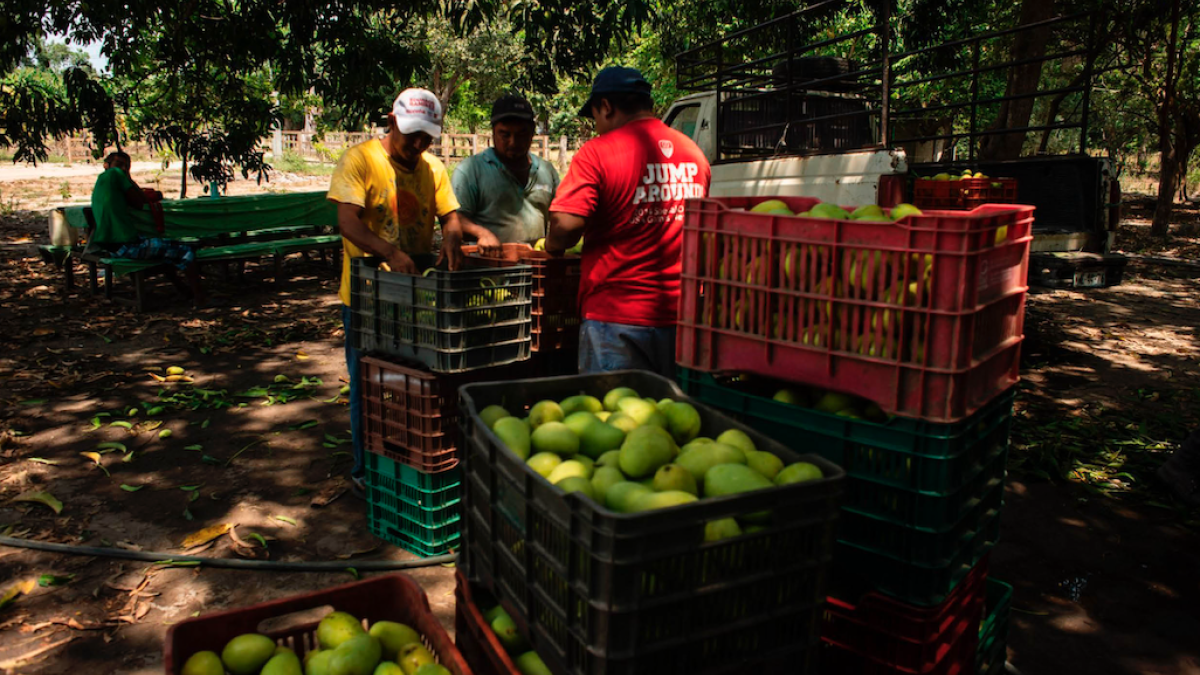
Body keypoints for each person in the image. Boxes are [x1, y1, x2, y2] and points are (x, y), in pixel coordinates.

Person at [327, 87, 500, 495]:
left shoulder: (432, 168)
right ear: (391, 122)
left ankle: (412, 459)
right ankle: (364, 470)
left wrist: (454, 238)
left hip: (416, 298)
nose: (417, 146)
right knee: (368, 384)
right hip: (367, 298)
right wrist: (390, 251)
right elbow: (348, 223)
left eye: (426, 138)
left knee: (414, 384)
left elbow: (450, 216)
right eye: (411, 137)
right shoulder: (359, 160)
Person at [546, 66, 711, 377]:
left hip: (616, 318)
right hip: (684, 318)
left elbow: (566, 227)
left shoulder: (597, 153)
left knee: (617, 419)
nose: (596, 126)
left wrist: (553, 246)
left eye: (595, 116)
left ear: (606, 107)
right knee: (673, 421)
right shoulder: (695, 154)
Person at [451, 94, 560, 245]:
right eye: (505, 134)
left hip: (536, 263)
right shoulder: (471, 171)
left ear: (532, 133)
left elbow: (560, 217)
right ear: (493, 133)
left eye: (522, 134)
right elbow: (454, 219)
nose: (513, 142)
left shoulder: (546, 171)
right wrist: (482, 233)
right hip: (488, 265)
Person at [89, 151, 200, 295]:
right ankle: (201, 298)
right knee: (186, 250)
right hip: (124, 246)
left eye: (126, 167)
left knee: (166, 248)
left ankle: (183, 289)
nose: (122, 169)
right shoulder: (115, 174)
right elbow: (139, 203)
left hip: (111, 246)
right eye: (119, 165)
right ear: (106, 165)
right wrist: (129, 179)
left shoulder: (102, 181)